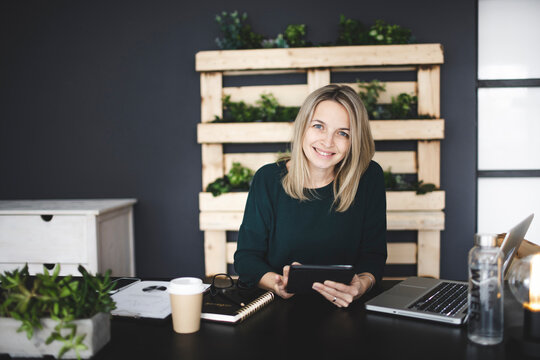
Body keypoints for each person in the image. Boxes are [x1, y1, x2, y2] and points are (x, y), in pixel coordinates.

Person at [234, 84, 387, 308]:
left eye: (343, 133)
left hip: (345, 308)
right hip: (277, 308)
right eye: (319, 127)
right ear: (303, 127)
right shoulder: (267, 179)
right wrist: (276, 283)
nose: (327, 142)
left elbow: (373, 255)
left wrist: (360, 286)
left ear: (354, 141)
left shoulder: (369, 177)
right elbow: (246, 258)